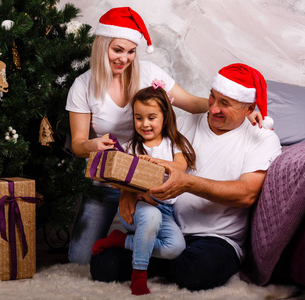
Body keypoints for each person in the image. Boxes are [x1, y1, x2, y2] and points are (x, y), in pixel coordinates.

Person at [66, 7, 261, 265]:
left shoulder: (148, 73)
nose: (124, 59)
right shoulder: (83, 85)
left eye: (131, 51)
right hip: (108, 184)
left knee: (162, 239)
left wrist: (237, 108)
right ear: (102, 45)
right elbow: (79, 145)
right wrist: (92, 144)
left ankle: (132, 250)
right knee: (79, 260)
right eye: (117, 50)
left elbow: (191, 103)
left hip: (147, 184)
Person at [90, 63, 282, 291]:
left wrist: (188, 183)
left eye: (225, 104)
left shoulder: (262, 139)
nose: (213, 108)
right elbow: (145, 160)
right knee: (103, 266)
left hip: (216, 239)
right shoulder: (182, 125)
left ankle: (155, 258)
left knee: (199, 269)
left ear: (249, 109)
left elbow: (246, 194)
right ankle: (162, 254)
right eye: (212, 97)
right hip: (166, 225)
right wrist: (128, 191)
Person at [91, 80, 196, 295]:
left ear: (165, 116)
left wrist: (159, 164)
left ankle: (121, 240)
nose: (144, 124)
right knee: (151, 217)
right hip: (137, 208)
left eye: (151, 118)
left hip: (165, 210)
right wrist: (135, 190)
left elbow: (179, 168)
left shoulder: (175, 142)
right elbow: (121, 179)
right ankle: (139, 275)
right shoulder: (132, 146)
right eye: (138, 118)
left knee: (175, 247)